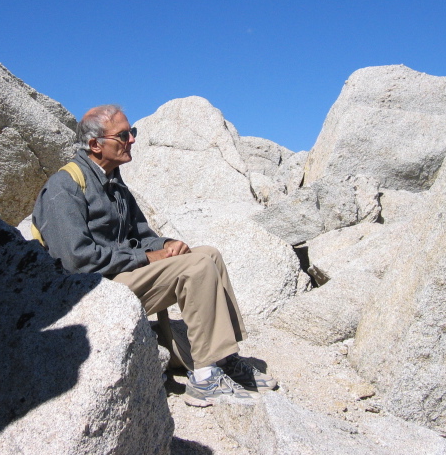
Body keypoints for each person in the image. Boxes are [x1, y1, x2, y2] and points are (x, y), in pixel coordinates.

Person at [32, 104, 276, 406]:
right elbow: (75, 259)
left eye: (131, 133)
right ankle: (204, 379)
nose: (132, 139)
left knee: (208, 254)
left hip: (119, 275)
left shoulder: (115, 184)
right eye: (123, 135)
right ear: (95, 145)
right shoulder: (64, 186)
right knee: (196, 267)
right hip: (90, 293)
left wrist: (168, 244)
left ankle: (224, 358)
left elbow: (143, 236)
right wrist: (148, 258)